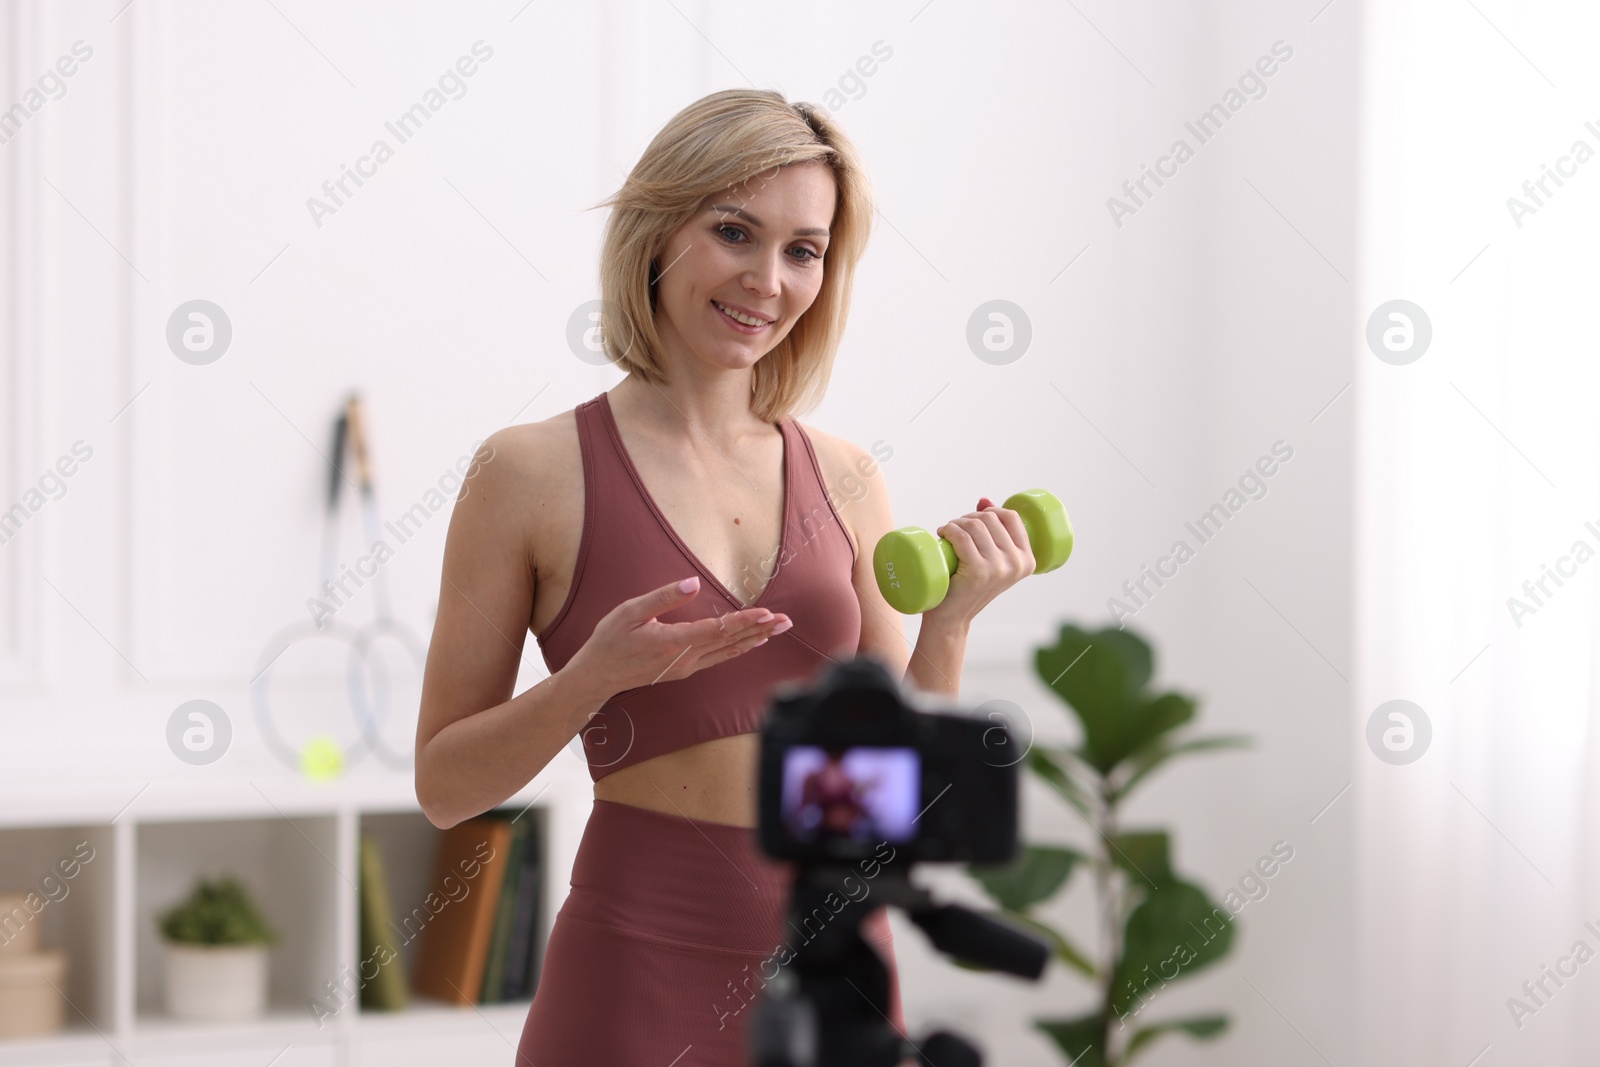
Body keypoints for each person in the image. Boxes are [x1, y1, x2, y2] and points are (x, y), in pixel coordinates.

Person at [414, 87, 1037, 1066]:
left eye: (804, 250)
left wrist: (950, 623)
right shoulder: (527, 471)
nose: (767, 279)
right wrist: (594, 677)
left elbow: (897, 806)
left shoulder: (846, 475)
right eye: (735, 232)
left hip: (832, 965)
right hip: (631, 972)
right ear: (658, 233)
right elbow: (446, 785)